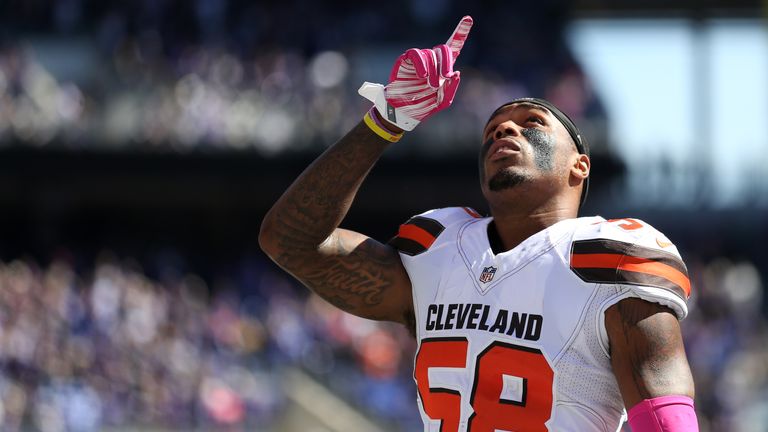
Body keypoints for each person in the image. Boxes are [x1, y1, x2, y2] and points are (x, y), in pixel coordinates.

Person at [259, 16, 698, 432]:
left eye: (531, 124)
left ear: (579, 166)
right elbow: (289, 241)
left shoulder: (610, 258)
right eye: (492, 132)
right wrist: (385, 121)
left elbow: (664, 415)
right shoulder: (437, 251)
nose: (505, 132)